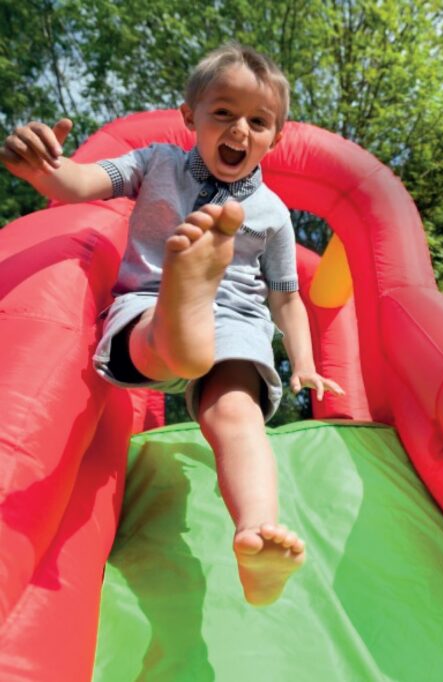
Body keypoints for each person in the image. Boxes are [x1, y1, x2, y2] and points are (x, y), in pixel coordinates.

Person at [0, 43, 342, 606]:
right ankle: (182, 306)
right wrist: (45, 167)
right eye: (223, 112)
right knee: (169, 344)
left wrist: (305, 362)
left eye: (258, 121)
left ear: (275, 137)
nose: (240, 130)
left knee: (234, 411)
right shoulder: (152, 162)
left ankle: (255, 533)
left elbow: (286, 301)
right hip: (149, 298)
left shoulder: (273, 215)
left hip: (232, 318)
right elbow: (81, 184)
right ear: (191, 116)